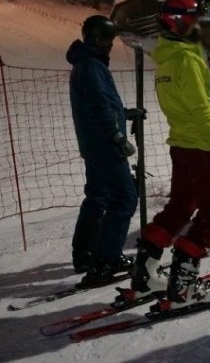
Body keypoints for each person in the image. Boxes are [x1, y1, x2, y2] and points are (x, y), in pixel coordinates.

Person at [130, 0, 210, 305]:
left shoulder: (167, 59)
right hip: (201, 147)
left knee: (180, 207)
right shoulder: (187, 60)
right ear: (179, 21)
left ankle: (145, 275)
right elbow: (202, 109)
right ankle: (183, 287)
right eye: (192, 19)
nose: (196, 26)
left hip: (182, 146)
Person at [66, 15, 141, 285]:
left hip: (95, 143)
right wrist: (116, 136)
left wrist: (126, 113)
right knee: (125, 198)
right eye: (108, 40)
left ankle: (86, 253)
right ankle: (106, 258)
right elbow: (99, 106)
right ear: (96, 39)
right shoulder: (90, 67)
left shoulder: (88, 65)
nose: (111, 46)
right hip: (105, 145)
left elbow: (102, 104)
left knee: (98, 196)